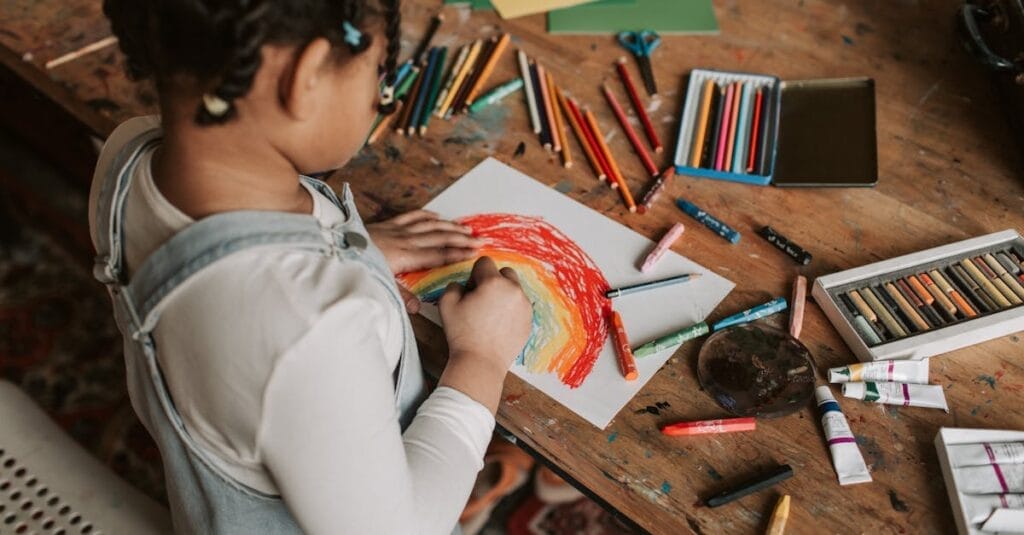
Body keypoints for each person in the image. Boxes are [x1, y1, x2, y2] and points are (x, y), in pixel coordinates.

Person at [88, 1, 533, 533]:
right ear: (305, 79)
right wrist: (481, 359)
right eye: (379, 76)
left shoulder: (129, 153)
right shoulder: (307, 330)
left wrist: (349, 250)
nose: (379, 99)